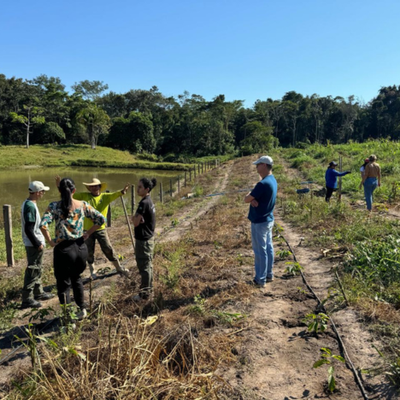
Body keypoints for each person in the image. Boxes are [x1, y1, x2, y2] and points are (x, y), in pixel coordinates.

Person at [40, 178, 105, 319]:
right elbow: (101, 219)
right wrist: (88, 233)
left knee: (63, 285)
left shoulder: (54, 206)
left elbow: (43, 225)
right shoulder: (82, 205)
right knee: (77, 279)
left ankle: (68, 316)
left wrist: (50, 241)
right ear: (74, 190)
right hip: (80, 248)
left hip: (63, 250)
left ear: (59, 191)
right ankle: (82, 310)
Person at [58, 176, 129, 279]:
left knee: (108, 248)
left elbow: (116, 194)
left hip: (100, 229)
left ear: (99, 187)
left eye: (96, 186)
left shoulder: (105, 197)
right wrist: (59, 185)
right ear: (89, 188)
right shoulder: (84, 196)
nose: (94, 188)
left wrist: (123, 191)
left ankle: (118, 267)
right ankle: (93, 271)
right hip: (87, 231)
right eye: (91, 187)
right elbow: (68, 194)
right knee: (89, 251)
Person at [21, 181, 55, 309]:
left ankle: (38, 292)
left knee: (38, 268)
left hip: (35, 242)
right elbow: (28, 229)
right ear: (36, 192)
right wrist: (37, 244)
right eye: (42, 191)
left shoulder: (30, 203)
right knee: (33, 269)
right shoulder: (29, 206)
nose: (43, 193)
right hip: (33, 243)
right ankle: (27, 299)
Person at [244, 156, 277, 287]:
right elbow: (253, 197)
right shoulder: (272, 180)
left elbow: (246, 198)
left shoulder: (262, 184)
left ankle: (260, 279)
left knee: (260, 250)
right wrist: (252, 198)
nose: (256, 167)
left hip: (259, 222)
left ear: (264, 165)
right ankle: (268, 274)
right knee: (268, 247)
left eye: (258, 165)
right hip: (268, 219)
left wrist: (250, 197)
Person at [132, 178, 157, 300]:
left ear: (147, 189)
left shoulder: (143, 203)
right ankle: (149, 289)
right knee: (148, 265)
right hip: (148, 238)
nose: (137, 189)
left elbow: (136, 222)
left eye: (140, 187)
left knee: (144, 267)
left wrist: (135, 219)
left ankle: (144, 294)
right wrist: (137, 219)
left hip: (143, 240)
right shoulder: (149, 201)